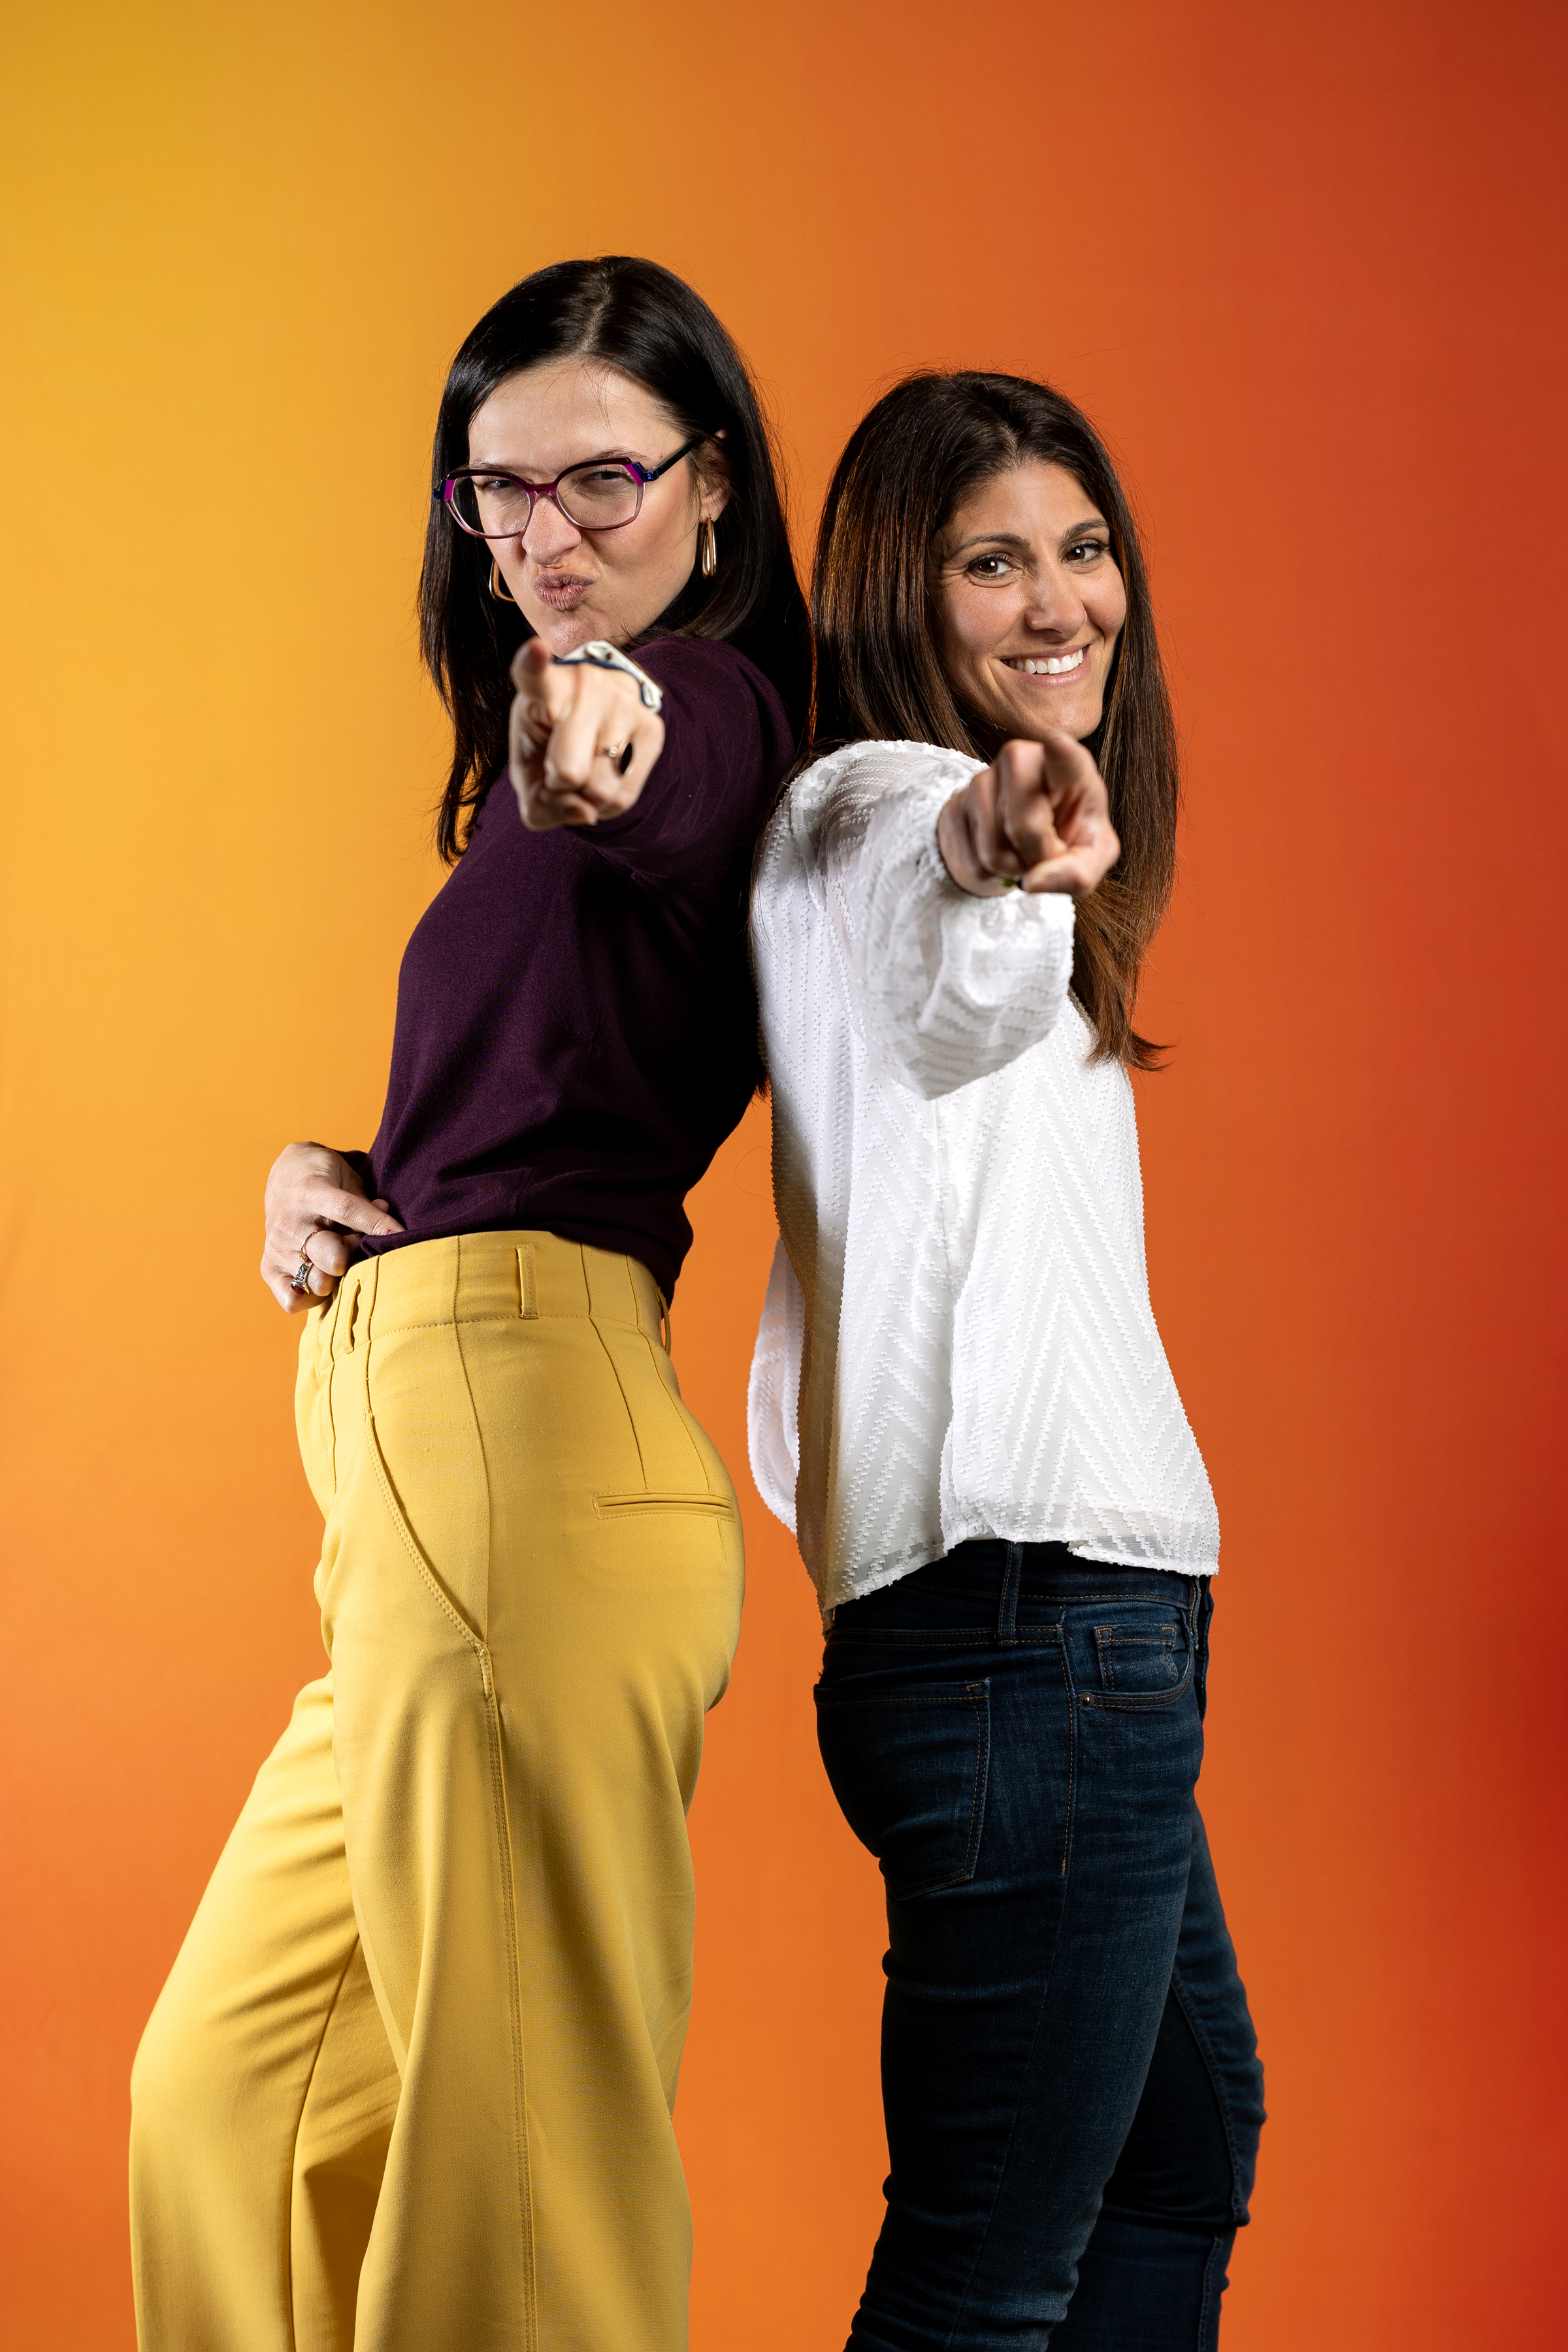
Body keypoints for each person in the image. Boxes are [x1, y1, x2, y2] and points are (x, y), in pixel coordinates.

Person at [130, 255, 808, 2352]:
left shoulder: (707, 705)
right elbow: (539, 1090)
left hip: (525, 1453)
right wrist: (334, 1172)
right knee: (223, 2114)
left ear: (713, 483)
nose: (546, 537)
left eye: (603, 478)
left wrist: (608, 739)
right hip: (428, 1499)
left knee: (520, 2187)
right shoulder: (523, 797)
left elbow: (672, 767)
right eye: (499, 490)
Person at [749, 370, 1265, 2350]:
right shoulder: (873, 804)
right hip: (1030, 1634)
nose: (1063, 602)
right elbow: (940, 948)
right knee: (982, 2283)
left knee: (1176, 2158)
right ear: (901, 594)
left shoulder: (848, 836)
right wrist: (996, 837)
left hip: (1048, 1637)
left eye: (1085, 547)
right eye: (994, 563)